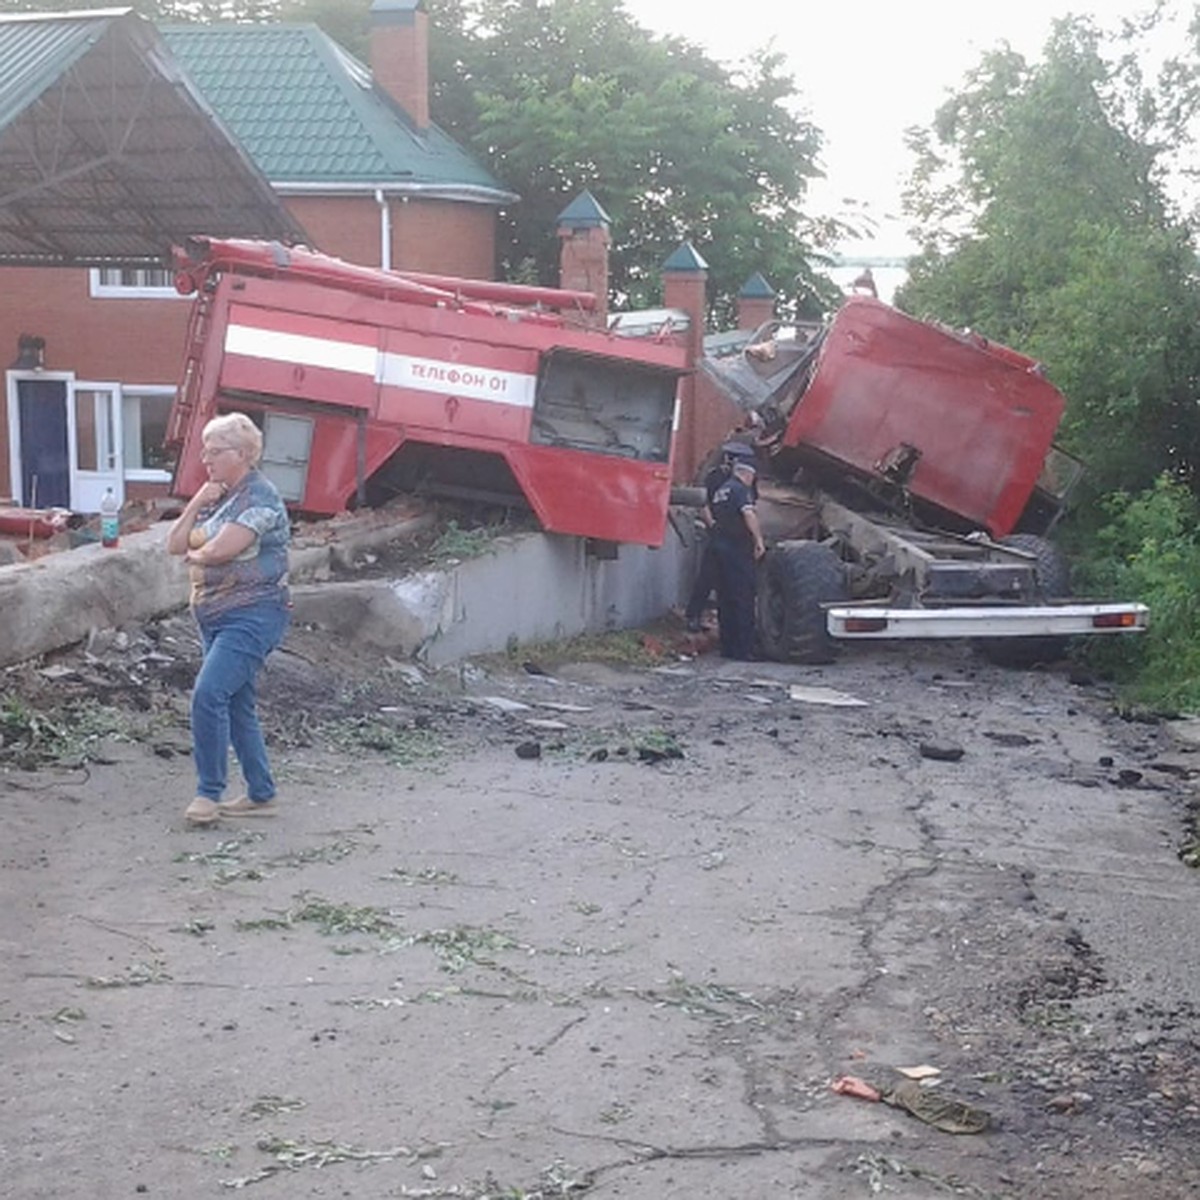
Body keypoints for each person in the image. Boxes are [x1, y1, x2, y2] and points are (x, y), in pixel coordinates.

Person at [166, 413, 291, 826]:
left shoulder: (261, 496)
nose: (206, 458)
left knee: (209, 694)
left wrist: (197, 556)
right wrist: (198, 501)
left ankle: (208, 794)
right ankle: (262, 794)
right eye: (205, 449)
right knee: (237, 704)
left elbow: (222, 548)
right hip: (214, 616)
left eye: (214, 451)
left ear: (242, 454)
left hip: (254, 614)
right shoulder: (217, 496)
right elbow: (174, 543)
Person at [684, 440, 755, 632]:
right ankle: (694, 615)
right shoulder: (715, 477)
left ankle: (731, 626)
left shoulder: (745, 479)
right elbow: (703, 502)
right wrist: (712, 524)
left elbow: (751, 506)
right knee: (707, 576)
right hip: (719, 531)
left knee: (732, 583)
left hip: (737, 535)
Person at [709, 455, 767, 660]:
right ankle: (744, 649)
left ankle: (728, 648)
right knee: (743, 598)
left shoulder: (721, 491)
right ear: (747, 473)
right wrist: (759, 540)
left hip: (718, 548)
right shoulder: (740, 490)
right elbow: (748, 515)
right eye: (752, 476)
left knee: (725, 599)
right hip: (737, 550)